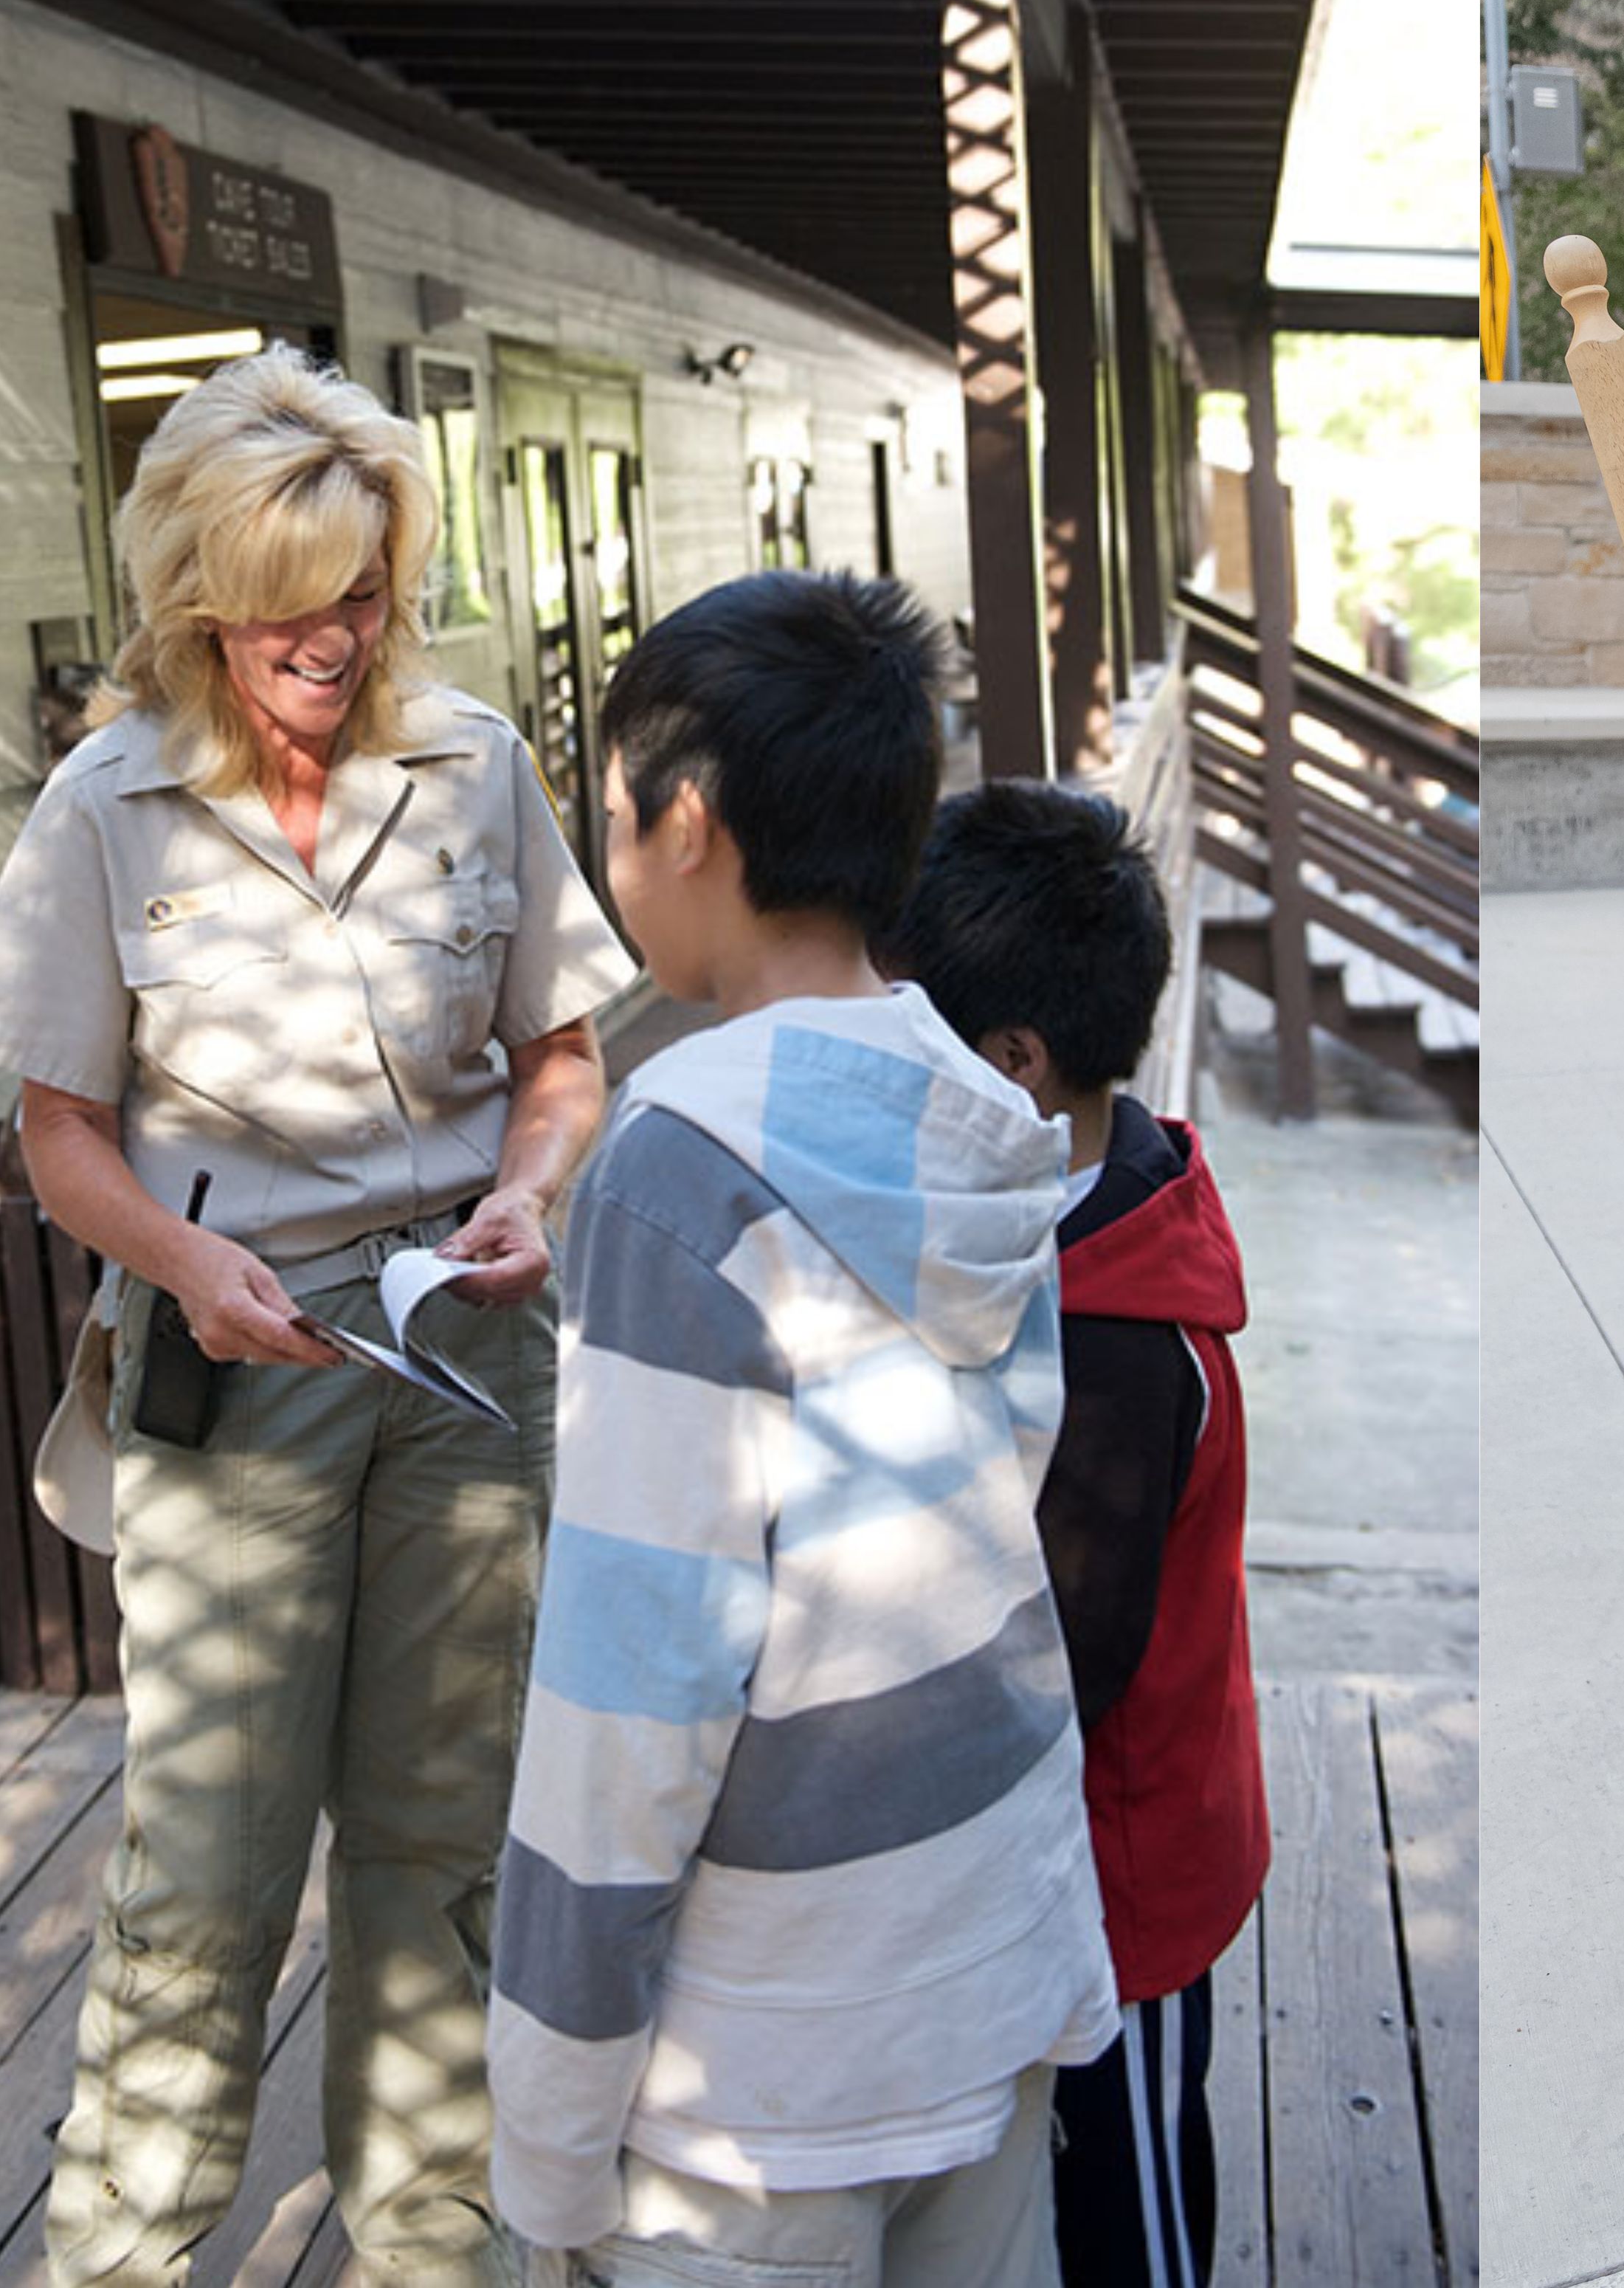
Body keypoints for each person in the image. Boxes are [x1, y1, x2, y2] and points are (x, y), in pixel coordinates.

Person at [0, 351, 628, 2288]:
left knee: (445, 1856)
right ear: (198, 593)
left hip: (469, 1356)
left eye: (362, 592)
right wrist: (181, 1265)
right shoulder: (107, 803)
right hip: (233, 1360)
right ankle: (126, 2264)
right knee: (208, 1869)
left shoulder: (478, 761)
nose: (333, 636)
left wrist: (527, 1185)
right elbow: (61, 1138)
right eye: (290, 602)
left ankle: (434, 2254)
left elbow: (560, 1057)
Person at [488, 572, 1112, 2288]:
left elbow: (635, 1692)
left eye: (610, 810)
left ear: (685, 824)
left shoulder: (678, 1173)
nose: (612, 849)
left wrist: (546, 2128)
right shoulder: (983, 1112)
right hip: (982, 1947)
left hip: (766, 2056)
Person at [879, 781, 1263, 2288]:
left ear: (1015, 1064)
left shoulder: (1116, 1348)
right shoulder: (1098, 1199)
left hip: (1126, 1881)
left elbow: (1060, 1667)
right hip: (1063, 1863)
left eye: (916, 1047)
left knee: (1135, 2215)